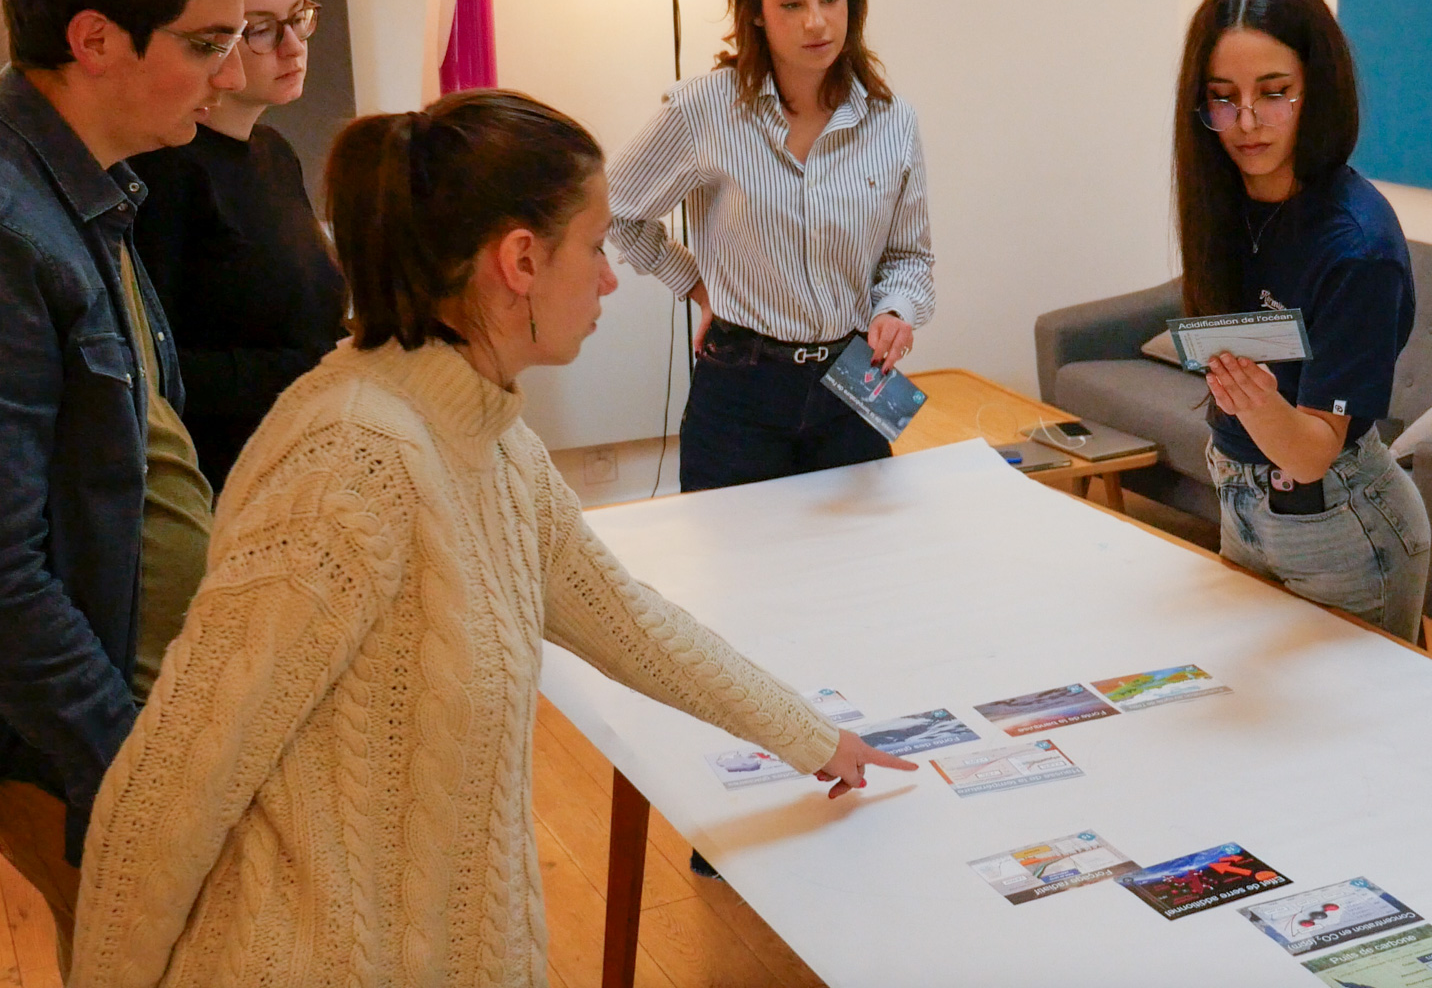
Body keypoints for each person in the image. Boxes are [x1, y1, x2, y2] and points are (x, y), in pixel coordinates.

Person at [69, 89, 915, 986]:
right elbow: (173, 783)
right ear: (520, 260)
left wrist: (813, 738)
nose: (608, 277)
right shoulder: (349, 460)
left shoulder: (488, 435)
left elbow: (624, 619)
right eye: (593, 248)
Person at [0, 0, 269, 972]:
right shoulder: (14, 232)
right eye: (205, 43)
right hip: (78, 742)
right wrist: (127, 766)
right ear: (98, 39)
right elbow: (6, 572)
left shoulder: (95, 195)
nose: (228, 70)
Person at [609, 0, 935, 493]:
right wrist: (699, 282)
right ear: (755, 12)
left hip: (854, 377)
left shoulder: (893, 119)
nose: (817, 22)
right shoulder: (703, 109)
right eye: (791, 3)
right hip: (741, 387)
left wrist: (895, 311)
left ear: (851, 4)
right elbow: (617, 208)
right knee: (738, 573)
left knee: (866, 565)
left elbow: (910, 257)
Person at [1173, 0, 1431, 642]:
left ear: (1315, 89)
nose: (1248, 123)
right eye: (1223, 99)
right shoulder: (1226, 200)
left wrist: (1254, 401)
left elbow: (1315, 452)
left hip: (1341, 525)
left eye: (1274, 94)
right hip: (1241, 501)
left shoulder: (1356, 247)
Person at [130, 0, 346, 497]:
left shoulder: (274, 152)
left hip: (306, 458)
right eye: (262, 31)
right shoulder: (163, 169)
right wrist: (323, 365)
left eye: (299, 18)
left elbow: (306, 323)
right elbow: (158, 371)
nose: (294, 46)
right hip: (223, 481)